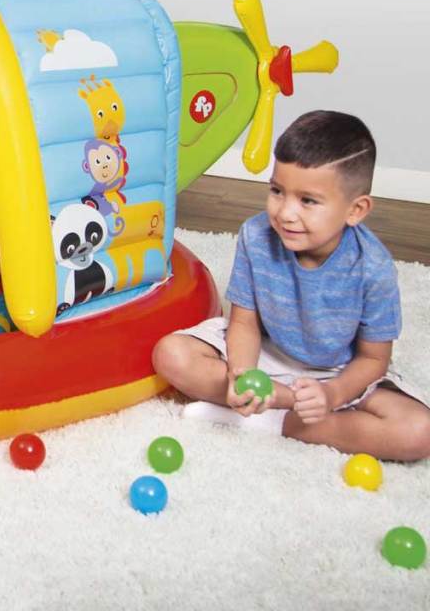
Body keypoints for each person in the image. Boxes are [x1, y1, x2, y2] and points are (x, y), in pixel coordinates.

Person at [153, 110, 430, 461]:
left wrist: (331, 395)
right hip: (266, 354)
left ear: (356, 210)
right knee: (171, 354)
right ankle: (266, 404)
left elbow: (373, 359)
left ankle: (273, 422)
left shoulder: (373, 267)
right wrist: (243, 372)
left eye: (308, 201)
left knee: (417, 431)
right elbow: (244, 322)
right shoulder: (256, 236)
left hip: (337, 374)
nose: (285, 212)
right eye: (277, 191)